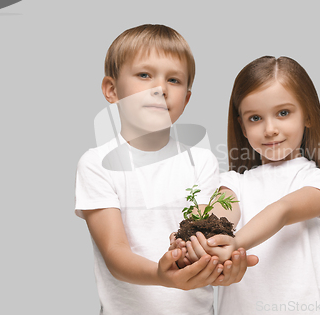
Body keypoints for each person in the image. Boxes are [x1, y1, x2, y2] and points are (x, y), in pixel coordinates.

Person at [75, 24, 256, 315]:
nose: (159, 88)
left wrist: (224, 266)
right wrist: (161, 276)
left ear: (185, 98)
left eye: (173, 79)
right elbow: (115, 253)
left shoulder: (203, 161)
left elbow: (203, 239)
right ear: (112, 89)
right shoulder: (97, 164)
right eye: (144, 75)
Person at [179, 56, 320, 315]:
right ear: (243, 127)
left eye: (283, 113)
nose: (270, 129)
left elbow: (283, 211)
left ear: (308, 115)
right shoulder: (232, 182)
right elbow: (221, 217)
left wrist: (236, 244)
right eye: (255, 118)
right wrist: (198, 240)